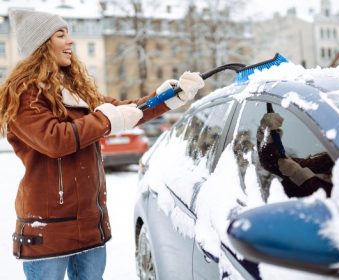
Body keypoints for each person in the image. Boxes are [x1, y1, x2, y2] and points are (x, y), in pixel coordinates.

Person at [0, 9, 204, 280]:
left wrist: (166, 97)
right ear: (41, 44)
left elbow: (121, 110)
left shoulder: (76, 91)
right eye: (61, 35)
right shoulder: (25, 94)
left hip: (89, 223)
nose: (70, 41)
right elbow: (56, 140)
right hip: (48, 230)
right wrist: (107, 119)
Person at [256, 112, 333, 198]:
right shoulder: (330, 161)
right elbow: (272, 163)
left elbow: (332, 203)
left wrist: (299, 175)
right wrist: (267, 134)